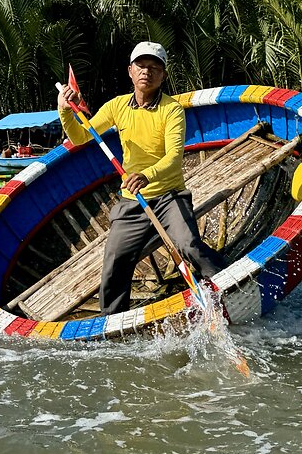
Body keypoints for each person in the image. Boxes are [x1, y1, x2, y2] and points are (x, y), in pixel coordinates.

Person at [56, 41, 226, 315]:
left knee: (188, 245)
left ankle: (228, 283)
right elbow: (81, 136)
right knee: (115, 260)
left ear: (163, 75)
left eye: (154, 67)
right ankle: (112, 320)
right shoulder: (116, 106)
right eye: (141, 66)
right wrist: (64, 110)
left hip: (169, 196)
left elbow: (174, 158)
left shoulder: (171, 109)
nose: (147, 72)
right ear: (130, 71)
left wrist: (146, 176)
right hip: (132, 200)